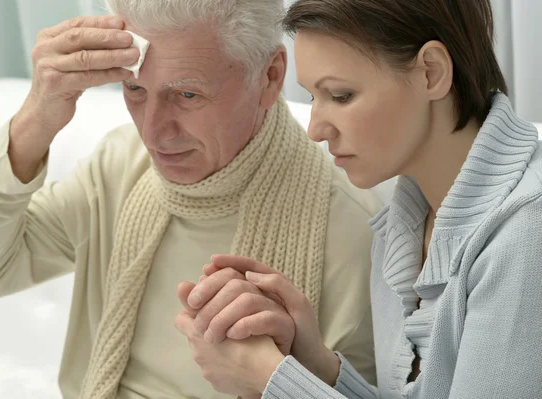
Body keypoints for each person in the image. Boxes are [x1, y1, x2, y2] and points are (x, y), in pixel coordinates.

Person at [0, 0, 383, 398]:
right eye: (135, 90)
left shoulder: (352, 229)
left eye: (187, 94)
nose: (153, 133)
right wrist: (35, 118)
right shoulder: (120, 163)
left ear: (270, 77)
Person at [174, 0, 542, 398]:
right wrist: (312, 362)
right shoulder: (403, 225)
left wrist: (271, 381)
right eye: (314, 97)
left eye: (341, 95)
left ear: (431, 73)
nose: (315, 129)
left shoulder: (526, 233)